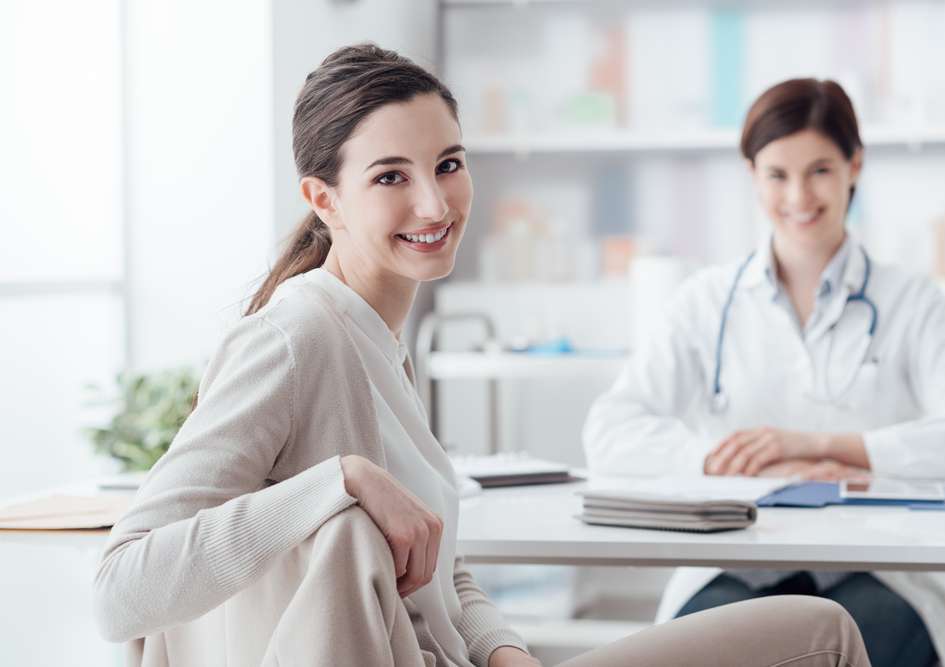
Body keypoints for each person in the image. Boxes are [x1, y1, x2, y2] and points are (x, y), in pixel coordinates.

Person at [93, 48, 871, 667]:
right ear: (323, 200)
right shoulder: (297, 338)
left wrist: (507, 649)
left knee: (820, 628)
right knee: (823, 640)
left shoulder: (379, 342)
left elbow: (441, 574)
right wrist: (338, 480)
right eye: (391, 177)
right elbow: (122, 589)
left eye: (450, 164)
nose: (435, 204)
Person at [583, 78, 945, 667]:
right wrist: (727, 458)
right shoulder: (707, 300)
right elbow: (609, 431)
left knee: (854, 632)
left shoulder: (909, 300)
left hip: (875, 570)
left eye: (820, 170)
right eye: (778, 174)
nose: (799, 195)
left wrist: (835, 447)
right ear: (752, 174)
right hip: (737, 561)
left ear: (855, 165)